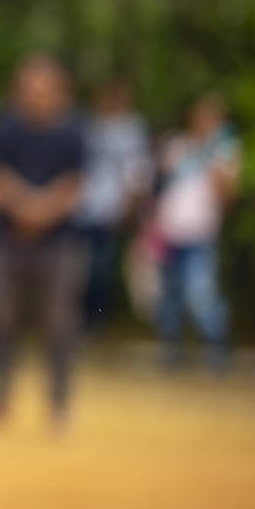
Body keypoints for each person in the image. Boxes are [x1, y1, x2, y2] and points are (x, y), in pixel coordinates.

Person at [0, 55, 85, 431]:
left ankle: (59, 407)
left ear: (59, 92)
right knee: (0, 320)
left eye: (45, 90)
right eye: (30, 90)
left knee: (59, 324)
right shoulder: (2, 129)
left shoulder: (73, 132)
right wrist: (28, 207)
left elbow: (76, 186)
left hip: (60, 245)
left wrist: (38, 211)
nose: (37, 98)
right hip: (6, 242)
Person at [153, 93, 239, 373]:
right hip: (169, 234)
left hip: (200, 236)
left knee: (201, 295)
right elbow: (160, 185)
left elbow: (228, 196)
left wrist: (216, 167)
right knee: (170, 297)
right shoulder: (177, 146)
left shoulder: (224, 151)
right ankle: (171, 353)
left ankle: (219, 349)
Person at [73, 81, 152, 331]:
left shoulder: (132, 130)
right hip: (81, 209)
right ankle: (76, 320)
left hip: (110, 211)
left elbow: (138, 171)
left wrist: (130, 206)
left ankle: (96, 322)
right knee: (78, 269)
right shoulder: (87, 126)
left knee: (101, 270)